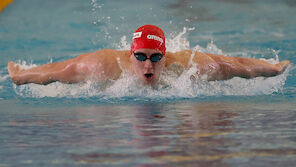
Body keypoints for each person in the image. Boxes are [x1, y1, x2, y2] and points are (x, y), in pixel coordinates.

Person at [8, 25, 290, 86]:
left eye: (156, 58)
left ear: (165, 57)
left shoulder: (190, 67)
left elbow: (239, 66)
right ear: (130, 55)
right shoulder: (103, 67)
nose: (147, 64)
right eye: (140, 56)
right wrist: (21, 76)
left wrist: (272, 69)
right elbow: (55, 71)